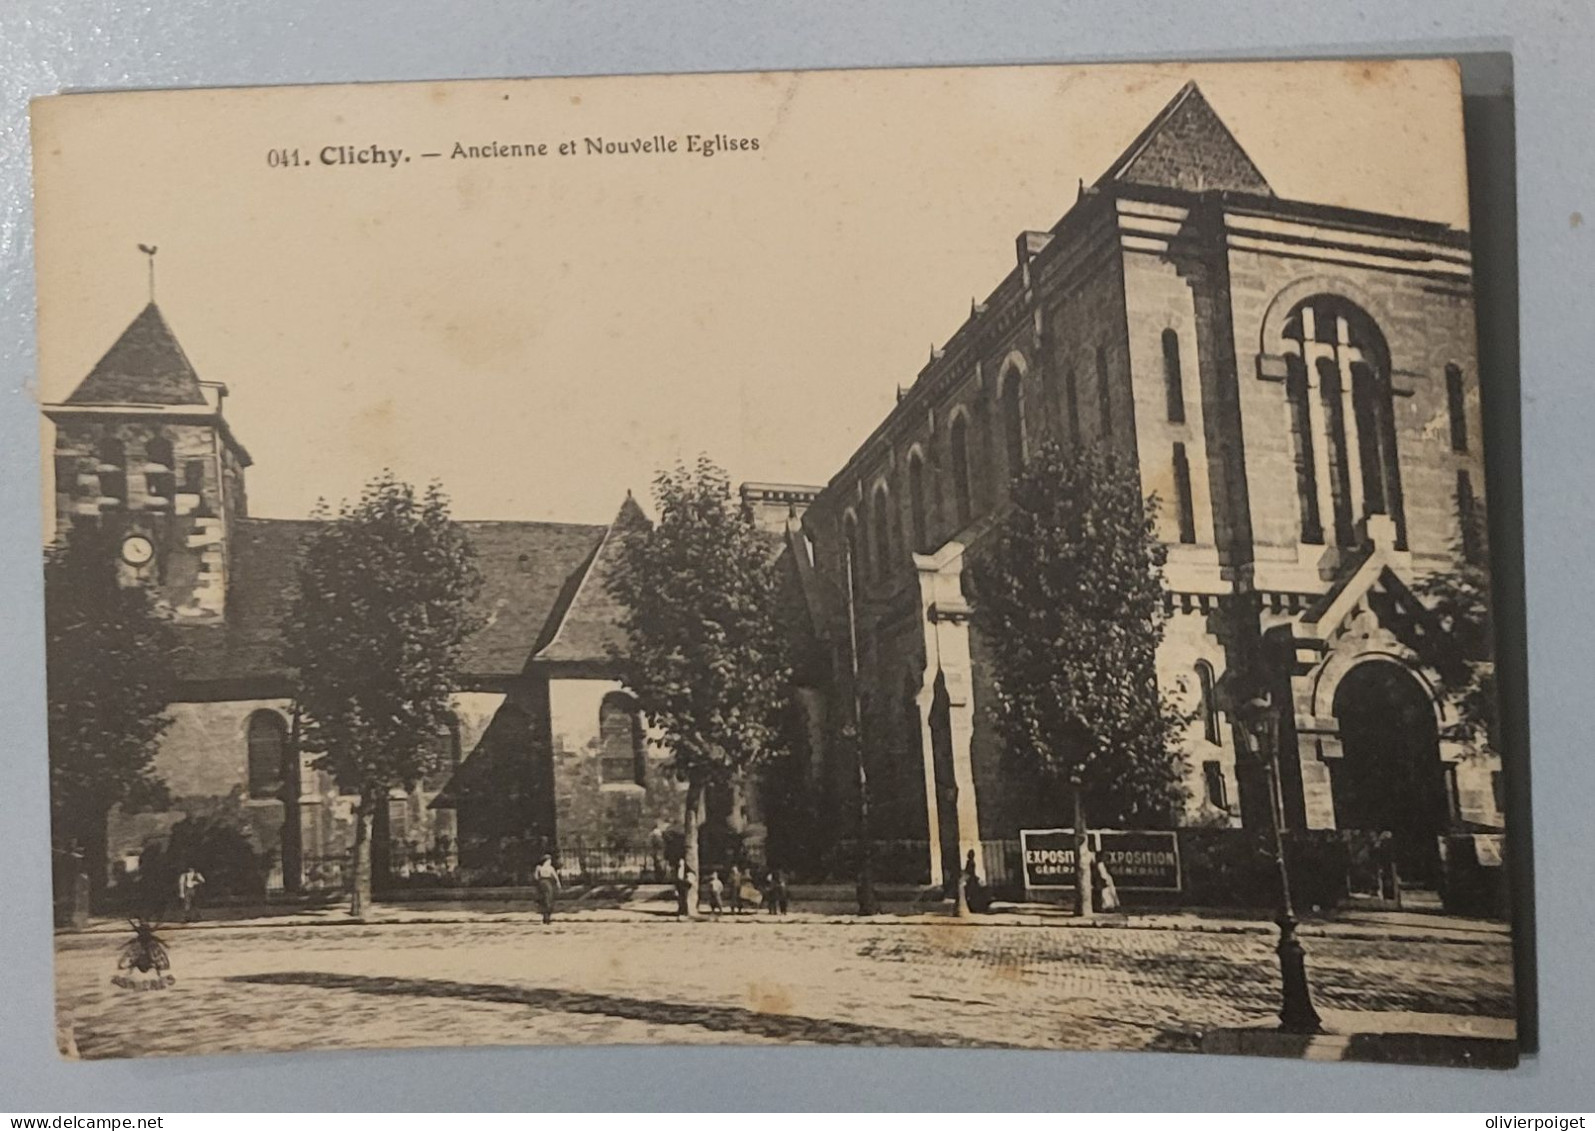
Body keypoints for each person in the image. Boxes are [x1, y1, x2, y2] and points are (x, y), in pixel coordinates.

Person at [532, 853, 561, 925]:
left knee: (548, 899)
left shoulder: (545, 868)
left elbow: (555, 877)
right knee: (544, 900)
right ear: (546, 861)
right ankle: (546, 917)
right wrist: (558, 883)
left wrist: (558, 883)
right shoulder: (541, 867)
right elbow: (555, 877)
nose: (550, 862)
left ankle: (547, 917)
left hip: (544, 883)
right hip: (546, 883)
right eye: (549, 860)